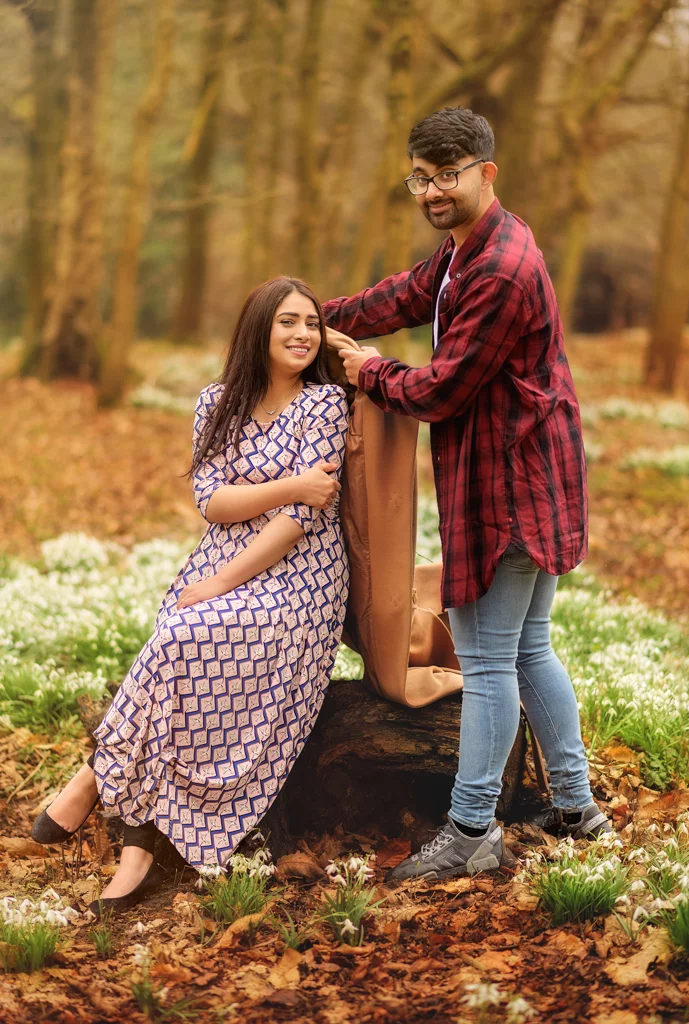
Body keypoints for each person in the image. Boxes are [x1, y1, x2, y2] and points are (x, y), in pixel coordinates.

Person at [324, 107, 611, 882]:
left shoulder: (500, 269)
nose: (430, 190)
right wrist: (318, 320)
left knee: (487, 659)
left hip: (511, 485)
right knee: (526, 649)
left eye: (445, 174)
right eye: (419, 176)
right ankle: (578, 810)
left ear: (486, 172)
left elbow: (442, 390)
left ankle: (471, 829)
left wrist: (364, 371)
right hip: (524, 473)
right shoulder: (465, 251)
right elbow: (404, 295)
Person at [31, 277, 350, 912]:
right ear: (258, 330)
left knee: (181, 634)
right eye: (287, 322)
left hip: (302, 578)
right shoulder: (217, 403)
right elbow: (214, 502)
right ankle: (139, 847)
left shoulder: (326, 406)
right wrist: (292, 484)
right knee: (179, 648)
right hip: (224, 557)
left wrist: (225, 579)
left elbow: (303, 521)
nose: (301, 335)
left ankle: (97, 780)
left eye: (311, 325)